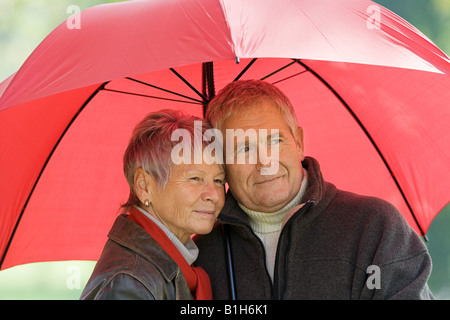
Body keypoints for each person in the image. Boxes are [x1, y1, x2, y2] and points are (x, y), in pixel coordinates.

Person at [194, 80, 434, 299]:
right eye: (244, 149)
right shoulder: (202, 255)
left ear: (298, 143)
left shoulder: (375, 227)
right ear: (221, 162)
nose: (265, 162)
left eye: (275, 142)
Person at [81, 110, 225, 300]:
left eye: (218, 180)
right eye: (195, 178)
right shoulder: (129, 283)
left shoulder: (173, 266)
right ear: (144, 186)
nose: (213, 195)